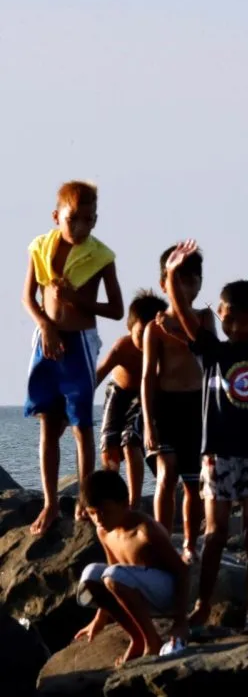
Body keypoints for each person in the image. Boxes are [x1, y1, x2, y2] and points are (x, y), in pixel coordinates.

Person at [162, 239, 248, 636]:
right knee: (213, 534)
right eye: (228, 319)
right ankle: (202, 607)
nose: (235, 327)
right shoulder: (211, 352)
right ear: (219, 316)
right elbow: (182, 316)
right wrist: (170, 276)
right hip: (217, 456)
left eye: (244, 321)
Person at [22, 181, 124, 535]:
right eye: (73, 220)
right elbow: (28, 298)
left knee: (81, 426)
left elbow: (116, 308)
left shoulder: (100, 257)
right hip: (47, 343)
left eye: (89, 221)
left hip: (79, 345)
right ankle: (51, 503)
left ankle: (85, 500)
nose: (81, 228)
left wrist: (77, 300)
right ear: (56, 216)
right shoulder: (40, 248)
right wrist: (45, 327)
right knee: (48, 424)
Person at [142, 245, 216, 562]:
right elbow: (147, 377)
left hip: (197, 406)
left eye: (193, 280)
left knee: (191, 482)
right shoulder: (153, 329)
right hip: (165, 405)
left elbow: (210, 351)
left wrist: (179, 333)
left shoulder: (205, 318)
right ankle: (161, 541)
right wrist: (147, 422)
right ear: (166, 284)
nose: (187, 288)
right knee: (166, 471)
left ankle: (189, 542)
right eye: (179, 280)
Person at [74, 470, 189, 665]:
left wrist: (180, 622)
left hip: (166, 593)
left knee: (114, 575)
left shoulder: (145, 530)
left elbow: (182, 571)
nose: (99, 520)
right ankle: (137, 637)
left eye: (105, 512)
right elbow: (109, 571)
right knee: (91, 574)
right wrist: (100, 618)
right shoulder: (103, 531)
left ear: (124, 504)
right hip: (133, 592)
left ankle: (152, 640)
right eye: (93, 514)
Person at [95, 291, 169, 509]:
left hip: (143, 396)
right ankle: (110, 498)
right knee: (109, 446)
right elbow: (99, 374)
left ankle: (134, 502)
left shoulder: (162, 351)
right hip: (117, 391)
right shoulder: (122, 347)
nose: (146, 340)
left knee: (130, 441)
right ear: (130, 328)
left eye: (151, 333)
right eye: (140, 333)